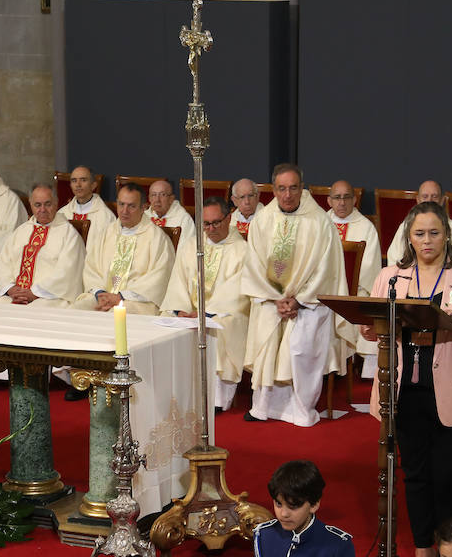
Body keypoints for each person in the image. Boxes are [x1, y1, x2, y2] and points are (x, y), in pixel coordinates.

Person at [361, 201, 452, 557]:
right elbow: (368, 325)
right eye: (419, 233)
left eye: (434, 233)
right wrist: (368, 323)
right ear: (408, 237)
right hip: (404, 391)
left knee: (449, 474)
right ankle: (423, 548)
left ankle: (449, 550)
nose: (427, 240)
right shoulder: (391, 276)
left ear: (447, 235)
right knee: (416, 473)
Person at [241, 163, 346, 426]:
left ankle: (300, 408)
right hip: (271, 299)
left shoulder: (320, 221)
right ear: (273, 190)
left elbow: (327, 269)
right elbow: (253, 263)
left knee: (298, 345)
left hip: (309, 301)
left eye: (293, 188)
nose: (287, 195)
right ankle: (263, 406)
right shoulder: (263, 220)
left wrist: (298, 300)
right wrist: (276, 298)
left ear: (302, 188)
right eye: (281, 189)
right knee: (266, 327)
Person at [162, 197, 250, 411]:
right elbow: (178, 280)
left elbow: (237, 293)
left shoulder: (242, 250)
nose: (210, 229)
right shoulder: (192, 246)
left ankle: (218, 400)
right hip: (189, 312)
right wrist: (181, 309)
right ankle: (177, 393)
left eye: (216, 223)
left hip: (223, 313)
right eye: (205, 224)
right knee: (166, 321)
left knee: (219, 328)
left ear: (229, 219)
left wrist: (206, 314)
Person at [75, 180, 175, 315]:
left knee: (114, 314)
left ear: (144, 207)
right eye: (121, 204)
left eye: (131, 206)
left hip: (137, 302)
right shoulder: (106, 233)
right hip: (102, 297)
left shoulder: (157, 238)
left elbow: (159, 278)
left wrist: (120, 297)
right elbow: (91, 268)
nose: (124, 211)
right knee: (79, 309)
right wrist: (100, 293)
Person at [0, 184, 85, 309]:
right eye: (37, 205)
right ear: (30, 204)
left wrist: (35, 293)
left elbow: (67, 272)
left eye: (48, 204)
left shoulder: (69, 234)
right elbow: (3, 264)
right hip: (14, 295)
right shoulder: (21, 231)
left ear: (56, 203)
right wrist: (10, 288)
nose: (42, 209)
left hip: (49, 297)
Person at [327, 179, 383, 377]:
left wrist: (344, 284)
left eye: (347, 197)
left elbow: (370, 267)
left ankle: (360, 372)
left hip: (355, 291)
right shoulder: (320, 224)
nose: (342, 202)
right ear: (329, 200)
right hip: (324, 291)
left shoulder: (366, 227)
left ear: (354, 199)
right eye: (337, 197)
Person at [385, 180, 452, 262]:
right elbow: (394, 259)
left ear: (442, 200)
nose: (429, 200)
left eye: (434, 196)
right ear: (418, 200)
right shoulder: (406, 226)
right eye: (425, 196)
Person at [56, 165, 113, 235]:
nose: (78, 184)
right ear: (70, 185)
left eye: (83, 180)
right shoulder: (62, 214)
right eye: (74, 180)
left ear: (93, 185)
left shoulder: (106, 216)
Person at [147, 178, 196, 250]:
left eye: (163, 195)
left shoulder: (183, 219)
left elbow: (187, 250)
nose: (157, 200)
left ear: (171, 199)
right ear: (149, 198)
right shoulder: (143, 217)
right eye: (153, 195)